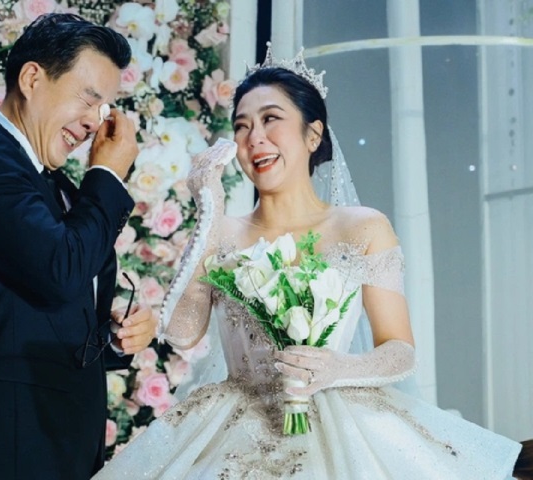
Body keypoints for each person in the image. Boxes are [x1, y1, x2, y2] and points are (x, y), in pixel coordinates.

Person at [93, 46, 521, 479]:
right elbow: (183, 333)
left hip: (339, 423)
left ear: (313, 135)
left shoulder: (363, 228)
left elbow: (400, 352)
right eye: (241, 126)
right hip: (233, 426)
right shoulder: (221, 231)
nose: (254, 138)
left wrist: (338, 368)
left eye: (271, 119)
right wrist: (210, 210)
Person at [0, 13, 157, 480]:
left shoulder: (53, 183)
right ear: (32, 78)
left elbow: (57, 297)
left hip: (60, 445)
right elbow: (60, 270)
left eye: (105, 108)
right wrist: (107, 175)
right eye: (88, 99)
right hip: (3, 448)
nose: (94, 123)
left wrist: (116, 334)